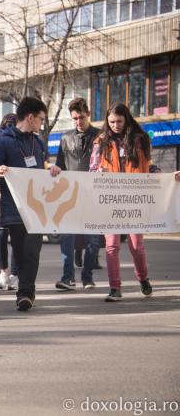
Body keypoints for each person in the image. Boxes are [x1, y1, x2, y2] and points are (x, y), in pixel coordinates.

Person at [0, 97, 62, 311]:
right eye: (40, 119)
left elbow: (45, 167)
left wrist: (52, 170)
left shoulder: (38, 142)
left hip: (38, 208)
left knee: (32, 250)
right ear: (29, 117)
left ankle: (26, 293)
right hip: (14, 209)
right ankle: (25, 290)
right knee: (20, 252)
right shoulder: (3, 141)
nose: (41, 123)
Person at [89, 102, 153, 302]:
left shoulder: (140, 139)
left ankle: (143, 279)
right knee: (112, 246)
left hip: (135, 199)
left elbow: (148, 166)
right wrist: (98, 172)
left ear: (127, 119)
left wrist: (164, 175)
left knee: (136, 245)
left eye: (119, 121)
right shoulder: (100, 141)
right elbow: (92, 169)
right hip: (110, 199)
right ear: (107, 122)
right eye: (111, 122)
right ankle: (115, 288)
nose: (116, 125)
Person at [54, 97, 101, 291]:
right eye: (74, 118)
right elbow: (59, 163)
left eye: (81, 117)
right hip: (70, 195)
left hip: (93, 195)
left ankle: (87, 277)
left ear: (88, 114)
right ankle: (68, 277)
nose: (78, 122)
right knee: (66, 237)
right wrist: (56, 169)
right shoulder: (65, 138)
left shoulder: (100, 136)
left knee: (93, 239)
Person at [0, 113, 20, 291]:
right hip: (2, 193)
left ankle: (15, 274)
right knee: (1, 235)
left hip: (20, 194)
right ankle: (4, 271)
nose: (9, 127)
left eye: (12, 124)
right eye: (7, 124)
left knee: (17, 235)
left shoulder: (25, 141)